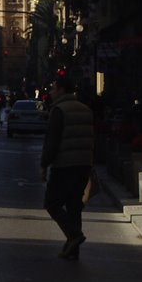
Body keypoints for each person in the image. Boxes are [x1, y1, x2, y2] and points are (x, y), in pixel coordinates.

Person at [40, 74, 94, 260]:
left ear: (62, 90)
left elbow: (52, 142)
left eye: (53, 88)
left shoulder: (59, 110)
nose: (51, 92)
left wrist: (44, 164)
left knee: (52, 203)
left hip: (64, 164)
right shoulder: (86, 109)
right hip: (84, 164)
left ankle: (74, 235)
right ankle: (73, 249)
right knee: (74, 205)